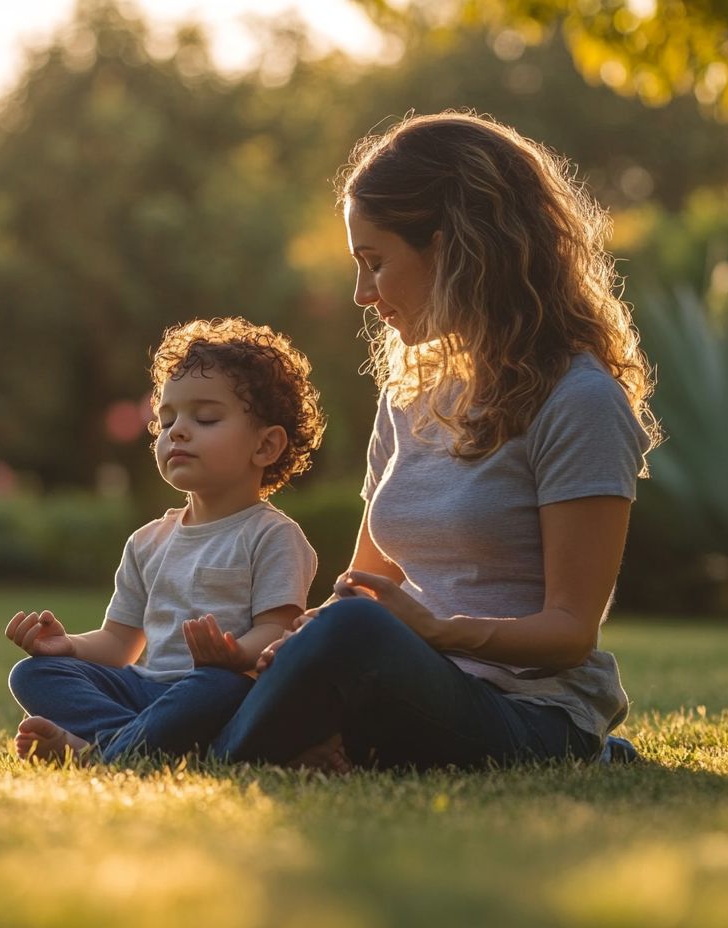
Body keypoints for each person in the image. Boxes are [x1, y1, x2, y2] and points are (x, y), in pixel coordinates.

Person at [211, 112, 660, 771]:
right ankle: (205, 734)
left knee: (353, 632)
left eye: (376, 263)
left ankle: (181, 755)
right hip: (404, 686)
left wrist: (433, 632)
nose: (363, 294)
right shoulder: (409, 393)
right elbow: (363, 586)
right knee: (234, 662)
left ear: (455, 250)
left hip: (528, 714)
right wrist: (293, 643)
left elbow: (570, 632)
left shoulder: (579, 400)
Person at [6, 316, 325, 763]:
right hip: (144, 689)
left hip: (218, 690)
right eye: (166, 418)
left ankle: (102, 753)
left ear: (266, 446)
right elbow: (120, 644)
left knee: (216, 686)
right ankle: (144, 743)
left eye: (206, 417)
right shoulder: (147, 542)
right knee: (33, 674)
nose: (177, 430)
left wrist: (234, 655)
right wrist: (69, 646)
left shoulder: (274, 536)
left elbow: (277, 632)